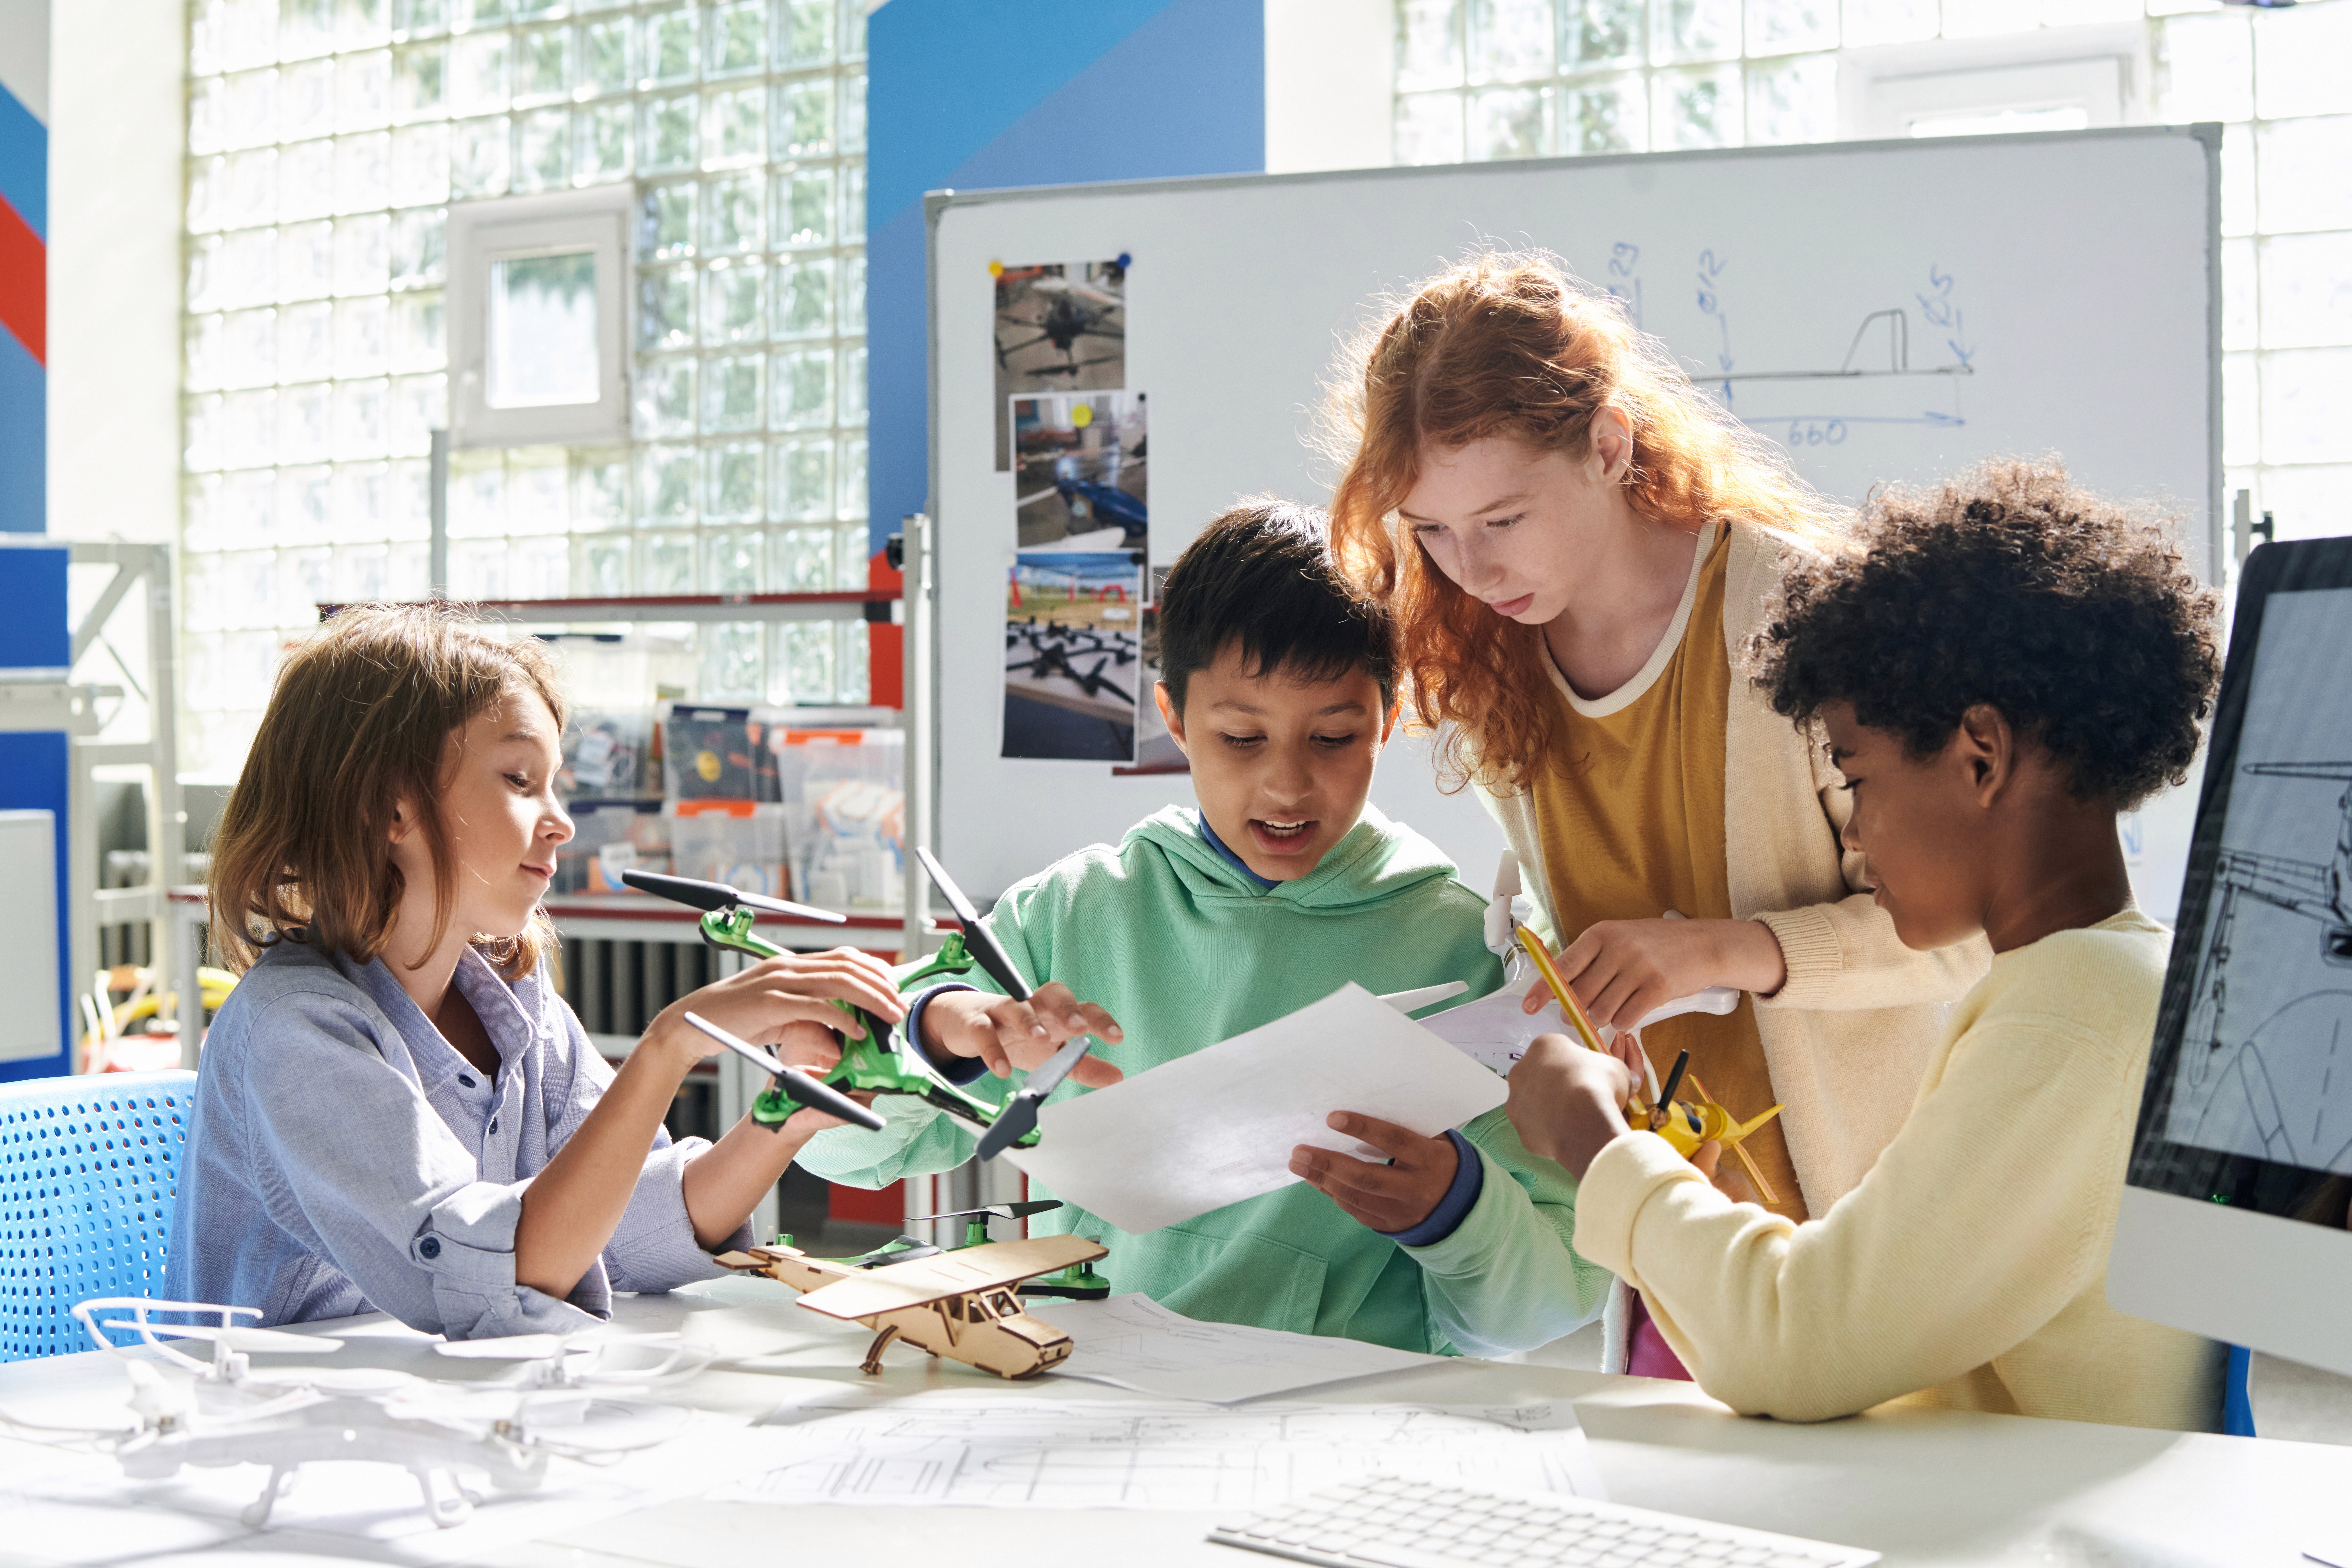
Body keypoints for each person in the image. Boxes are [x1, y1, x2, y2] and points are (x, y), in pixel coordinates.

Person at [1323, 252, 1988, 1373]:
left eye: (1502, 516)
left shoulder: (1818, 614)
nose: (1469, 565)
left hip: (1867, 1234)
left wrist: (1725, 950)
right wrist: (1529, 946)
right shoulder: (1493, 663)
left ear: (1611, 444)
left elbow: (1963, 930)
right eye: (1429, 530)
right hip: (1669, 1238)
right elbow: (1584, 873)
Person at [1502, 460, 2225, 1429]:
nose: (1854, 834)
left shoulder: (2079, 1014)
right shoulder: (2088, 982)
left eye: (1860, 777)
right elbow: (1874, 1315)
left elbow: (1796, 1349)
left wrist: (1595, 1147)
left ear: (1981, 757)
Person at [798, 501, 1610, 1356]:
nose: (1288, 786)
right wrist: (944, 1028)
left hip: (1351, 1420)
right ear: (1175, 719)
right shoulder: (1071, 913)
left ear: (1391, 715)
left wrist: (1456, 1211)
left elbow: (1544, 1311)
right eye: (1241, 738)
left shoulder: (1472, 956)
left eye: (1334, 738)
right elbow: (840, 1153)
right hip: (1098, 1397)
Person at [168, 605, 901, 1337]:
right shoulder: (295, 1034)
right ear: (388, 807)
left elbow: (622, 1224)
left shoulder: (517, 1002)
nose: (561, 821)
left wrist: (788, 1113)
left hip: (453, 1407)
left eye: (555, 784)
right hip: (288, 1423)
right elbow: (494, 1279)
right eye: (520, 779)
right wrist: (671, 1044)